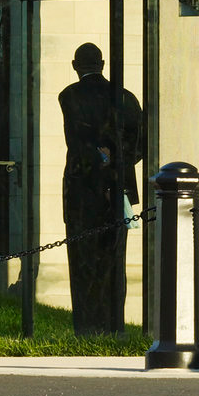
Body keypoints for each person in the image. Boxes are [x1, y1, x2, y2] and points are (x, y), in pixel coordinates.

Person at [58, 42, 145, 334]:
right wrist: (116, 162)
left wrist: (99, 159)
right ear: (103, 63)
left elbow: (77, 141)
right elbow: (140, 143)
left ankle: (86, 327)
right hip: (117, 189)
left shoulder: (69, 96)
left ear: (75, 65)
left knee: (83, 263)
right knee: (114, 262)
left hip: (83, 190)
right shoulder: (126, 97)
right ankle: (113, 326)